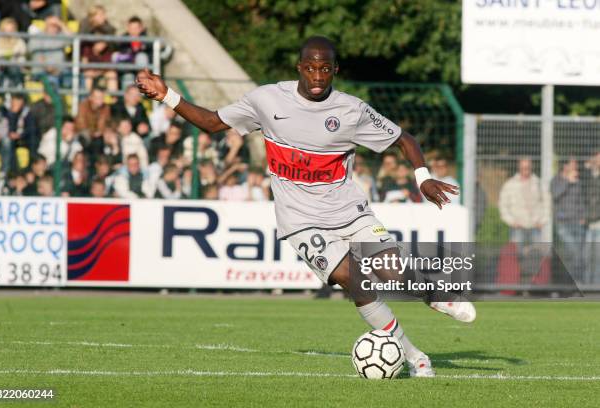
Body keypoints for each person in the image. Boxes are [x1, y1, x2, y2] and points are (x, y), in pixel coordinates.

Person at [136, 36, 474, 377]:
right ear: (299, 68)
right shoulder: (266, 99)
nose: (317, 76)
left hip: (348, 212)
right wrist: (167, 95)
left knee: (393, 273)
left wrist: (423, 178)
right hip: (300, 220)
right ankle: (413, 356)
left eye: (324, 69)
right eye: (310, 68)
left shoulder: (350, 110)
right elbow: (212, 122)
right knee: (354, 280)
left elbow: (404, 139)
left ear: (334, 71)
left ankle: (434, 293)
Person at [498, 158, 550, 245]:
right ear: (519, 168)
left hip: (535, 226)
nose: (526, 170)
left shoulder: (539, 183)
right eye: (523, 168)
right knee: (516, 254)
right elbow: (502, 205)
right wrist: (511, 221)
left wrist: (543, 220)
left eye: (528, 167)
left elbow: (547, 202)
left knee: (538, 254)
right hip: (517, 227)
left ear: (531, 167)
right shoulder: (510, 184)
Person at [551, 158, 586, 282]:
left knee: (579, 254)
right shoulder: (556, 180)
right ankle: (573, 281)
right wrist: (567, 181)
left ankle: (576, 281)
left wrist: (583, 216)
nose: (576, 166)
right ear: (565, 166)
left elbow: (581, 201)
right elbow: (555, 194)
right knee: (574, 251)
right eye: (573, 164)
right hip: (563, 224)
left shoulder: (577, 181)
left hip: (578, 222)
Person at [583, 151, 600, 284]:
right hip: (589, 222)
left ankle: (596, 283)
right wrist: (589, 168)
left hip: (598, 222)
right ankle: (587, 282)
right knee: (587, 255)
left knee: (598, 256)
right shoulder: (588, 176)